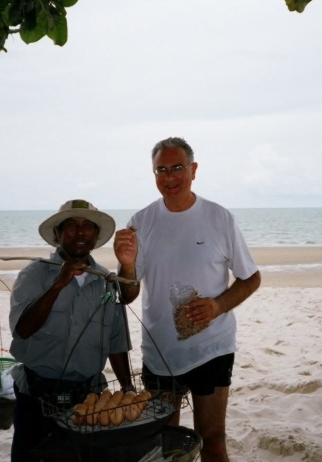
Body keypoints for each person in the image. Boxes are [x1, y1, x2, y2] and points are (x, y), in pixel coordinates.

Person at [114, 137, 260, 462]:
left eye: (177, 167)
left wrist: (218, 305)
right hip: (160, 353)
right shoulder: (140, 222)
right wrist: (126, 265)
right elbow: (127, 295)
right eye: (160, 170)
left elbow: (252, 278)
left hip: (212, 349)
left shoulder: (220, 218)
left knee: (213, 440)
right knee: (165, 445)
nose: (169, 177)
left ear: (193, 170)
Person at [9, 199, 133, 461]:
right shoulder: (34, 274)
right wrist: (58, 284)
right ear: (58, 234)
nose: (80, 232)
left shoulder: (106, 281)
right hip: (37, 395)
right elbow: (22, 329)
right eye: (72, 225)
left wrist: (127, 387)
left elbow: (117, 341)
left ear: (96, 235)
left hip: (88, 399)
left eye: (88, 226)